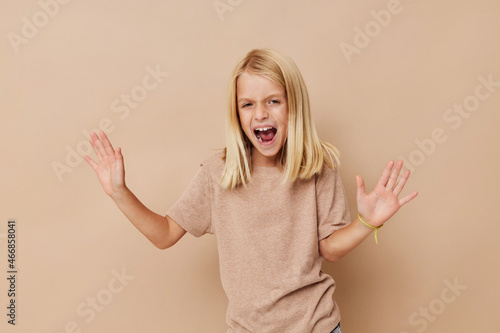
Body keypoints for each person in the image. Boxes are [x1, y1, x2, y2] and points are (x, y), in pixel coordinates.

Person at [84, 49, 418, 333]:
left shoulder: (319, 169)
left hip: (316, 325)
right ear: (237, 113)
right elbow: (165, 234)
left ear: (294, 107)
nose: (260, 114)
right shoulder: (219, 174)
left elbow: (329, 248)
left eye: (274, 101)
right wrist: (119, 192)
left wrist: (366, 222)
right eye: (248, 104)